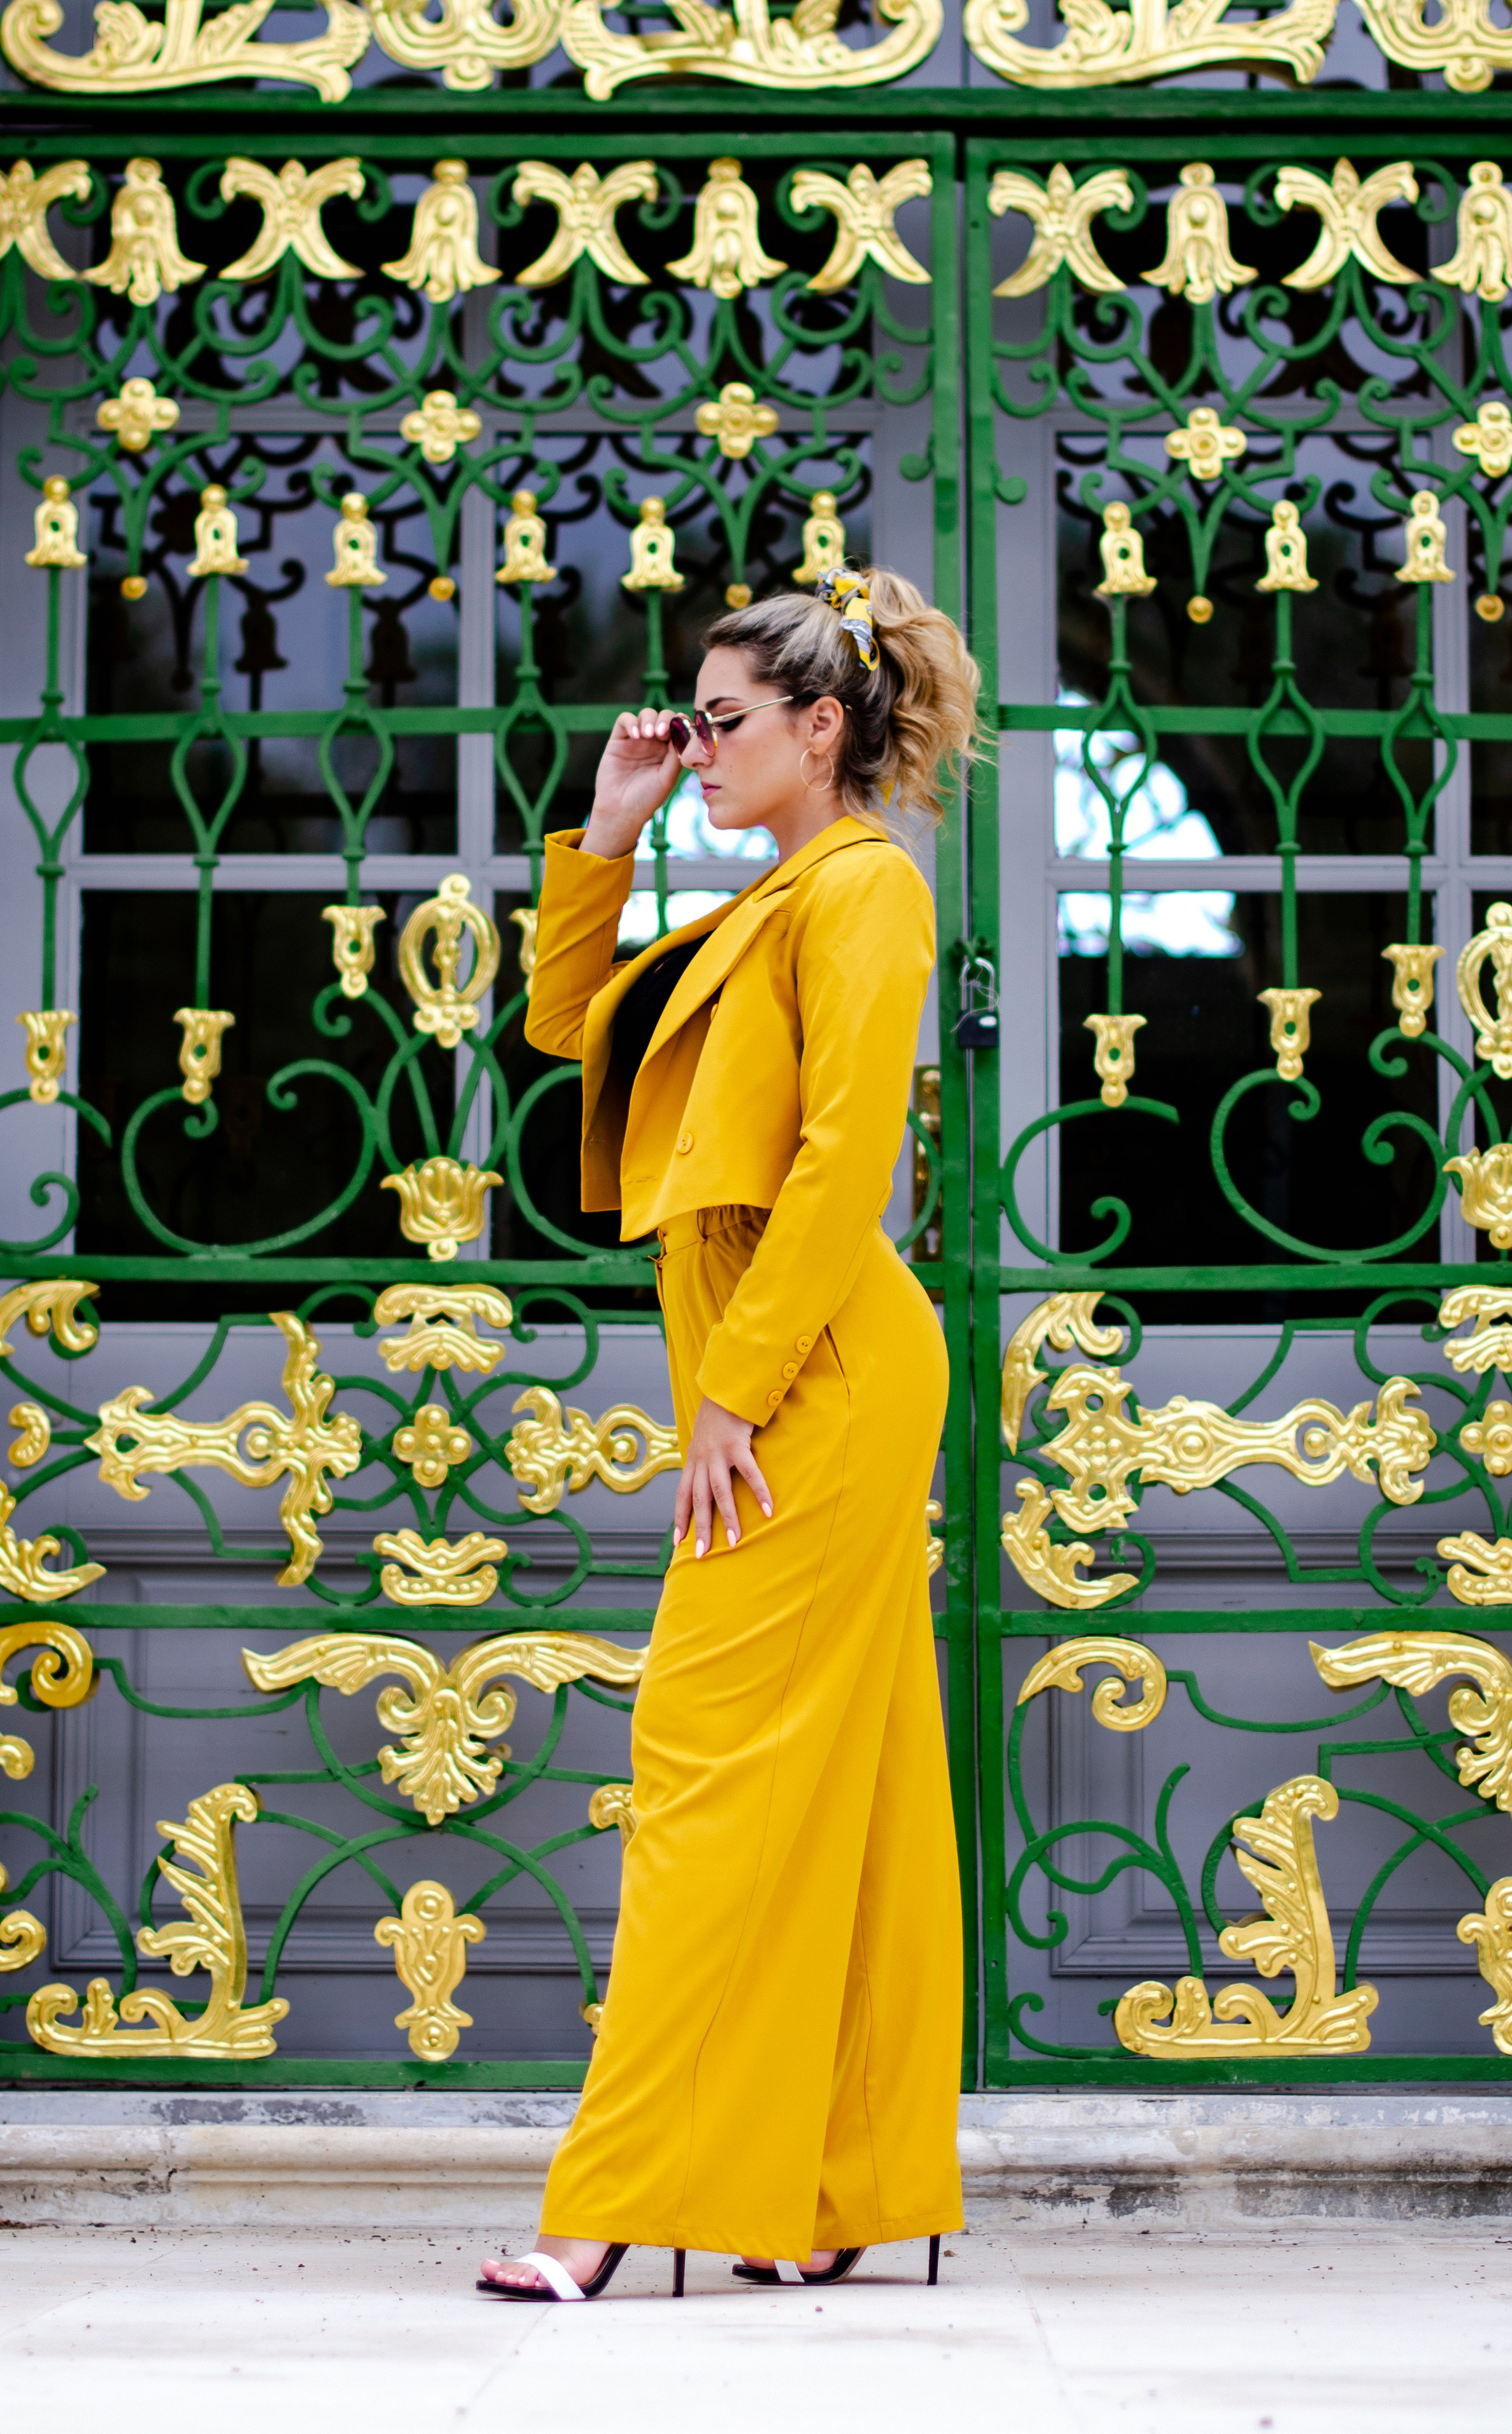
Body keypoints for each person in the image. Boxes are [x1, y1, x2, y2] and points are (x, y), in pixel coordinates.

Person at [479, 565, 979, 2303]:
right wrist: (610, 827)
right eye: (688, 723)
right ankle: (837, 2181)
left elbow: (849, 1164)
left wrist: (729, 1396)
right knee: (849, 1780)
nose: (695, 746)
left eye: (722, 722)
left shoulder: (866, 892)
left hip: (812, 1374)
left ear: (821, 728)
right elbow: (567, 1028)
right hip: (777, 1363)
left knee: (696, 1765)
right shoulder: (767, 901)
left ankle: (614, 2198)